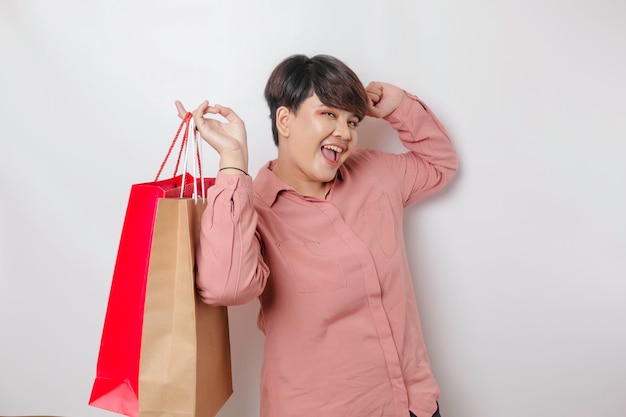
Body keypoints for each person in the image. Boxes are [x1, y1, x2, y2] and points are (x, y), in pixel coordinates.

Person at [175, 54, 458, 417]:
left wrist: (398, 106)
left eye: (352, 120)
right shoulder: (252, 208)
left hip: (415, 405)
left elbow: (439, 164)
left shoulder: (375, 173)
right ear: (285, 119)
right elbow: (227, 287)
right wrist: (232, 161)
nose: (345, 132)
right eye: (329, 114)